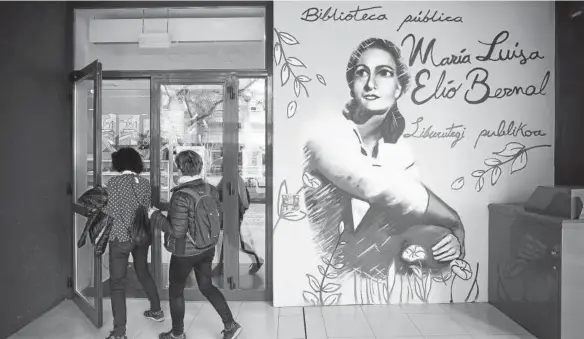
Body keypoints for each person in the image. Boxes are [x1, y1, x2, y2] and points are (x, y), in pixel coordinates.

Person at [303, 38, 465, 303]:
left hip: (375, 271)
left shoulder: (400, 152)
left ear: (399, 88)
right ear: (352, 86)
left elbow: (414, 216)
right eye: (361, 73)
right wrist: (453, 219)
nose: (370, 84)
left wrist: (450, 240)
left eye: (384, 73)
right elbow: (379, 186)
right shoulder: (326, 136)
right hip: (333, 273)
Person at [149, 150, 242, 339]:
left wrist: (155, 216)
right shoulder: (210, 189)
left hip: (184, 253)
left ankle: (177, 334)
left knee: (176, 292)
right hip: (207, 248)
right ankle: (230, 324)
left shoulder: (181, 195)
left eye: (176, 167)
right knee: (206, 286)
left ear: (181, 169)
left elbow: (177, 231)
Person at [103, 147, 163, 339]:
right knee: (143, 271)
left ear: (119, 163)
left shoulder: (113, 183)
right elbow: (145, 210)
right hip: (141, 237)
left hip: (120, 239)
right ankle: (156, 310)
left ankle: (120, 331)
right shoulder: (144, 183)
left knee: (117, 284)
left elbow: (110, 212)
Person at [216, 171, 263, 275]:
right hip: (231, 214)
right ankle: (220, 266)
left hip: (231, 215)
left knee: (234, 242)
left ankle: (256, 260)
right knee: (228, 241)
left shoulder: (232, 178)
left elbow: (219, 193)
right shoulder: (233, 178)